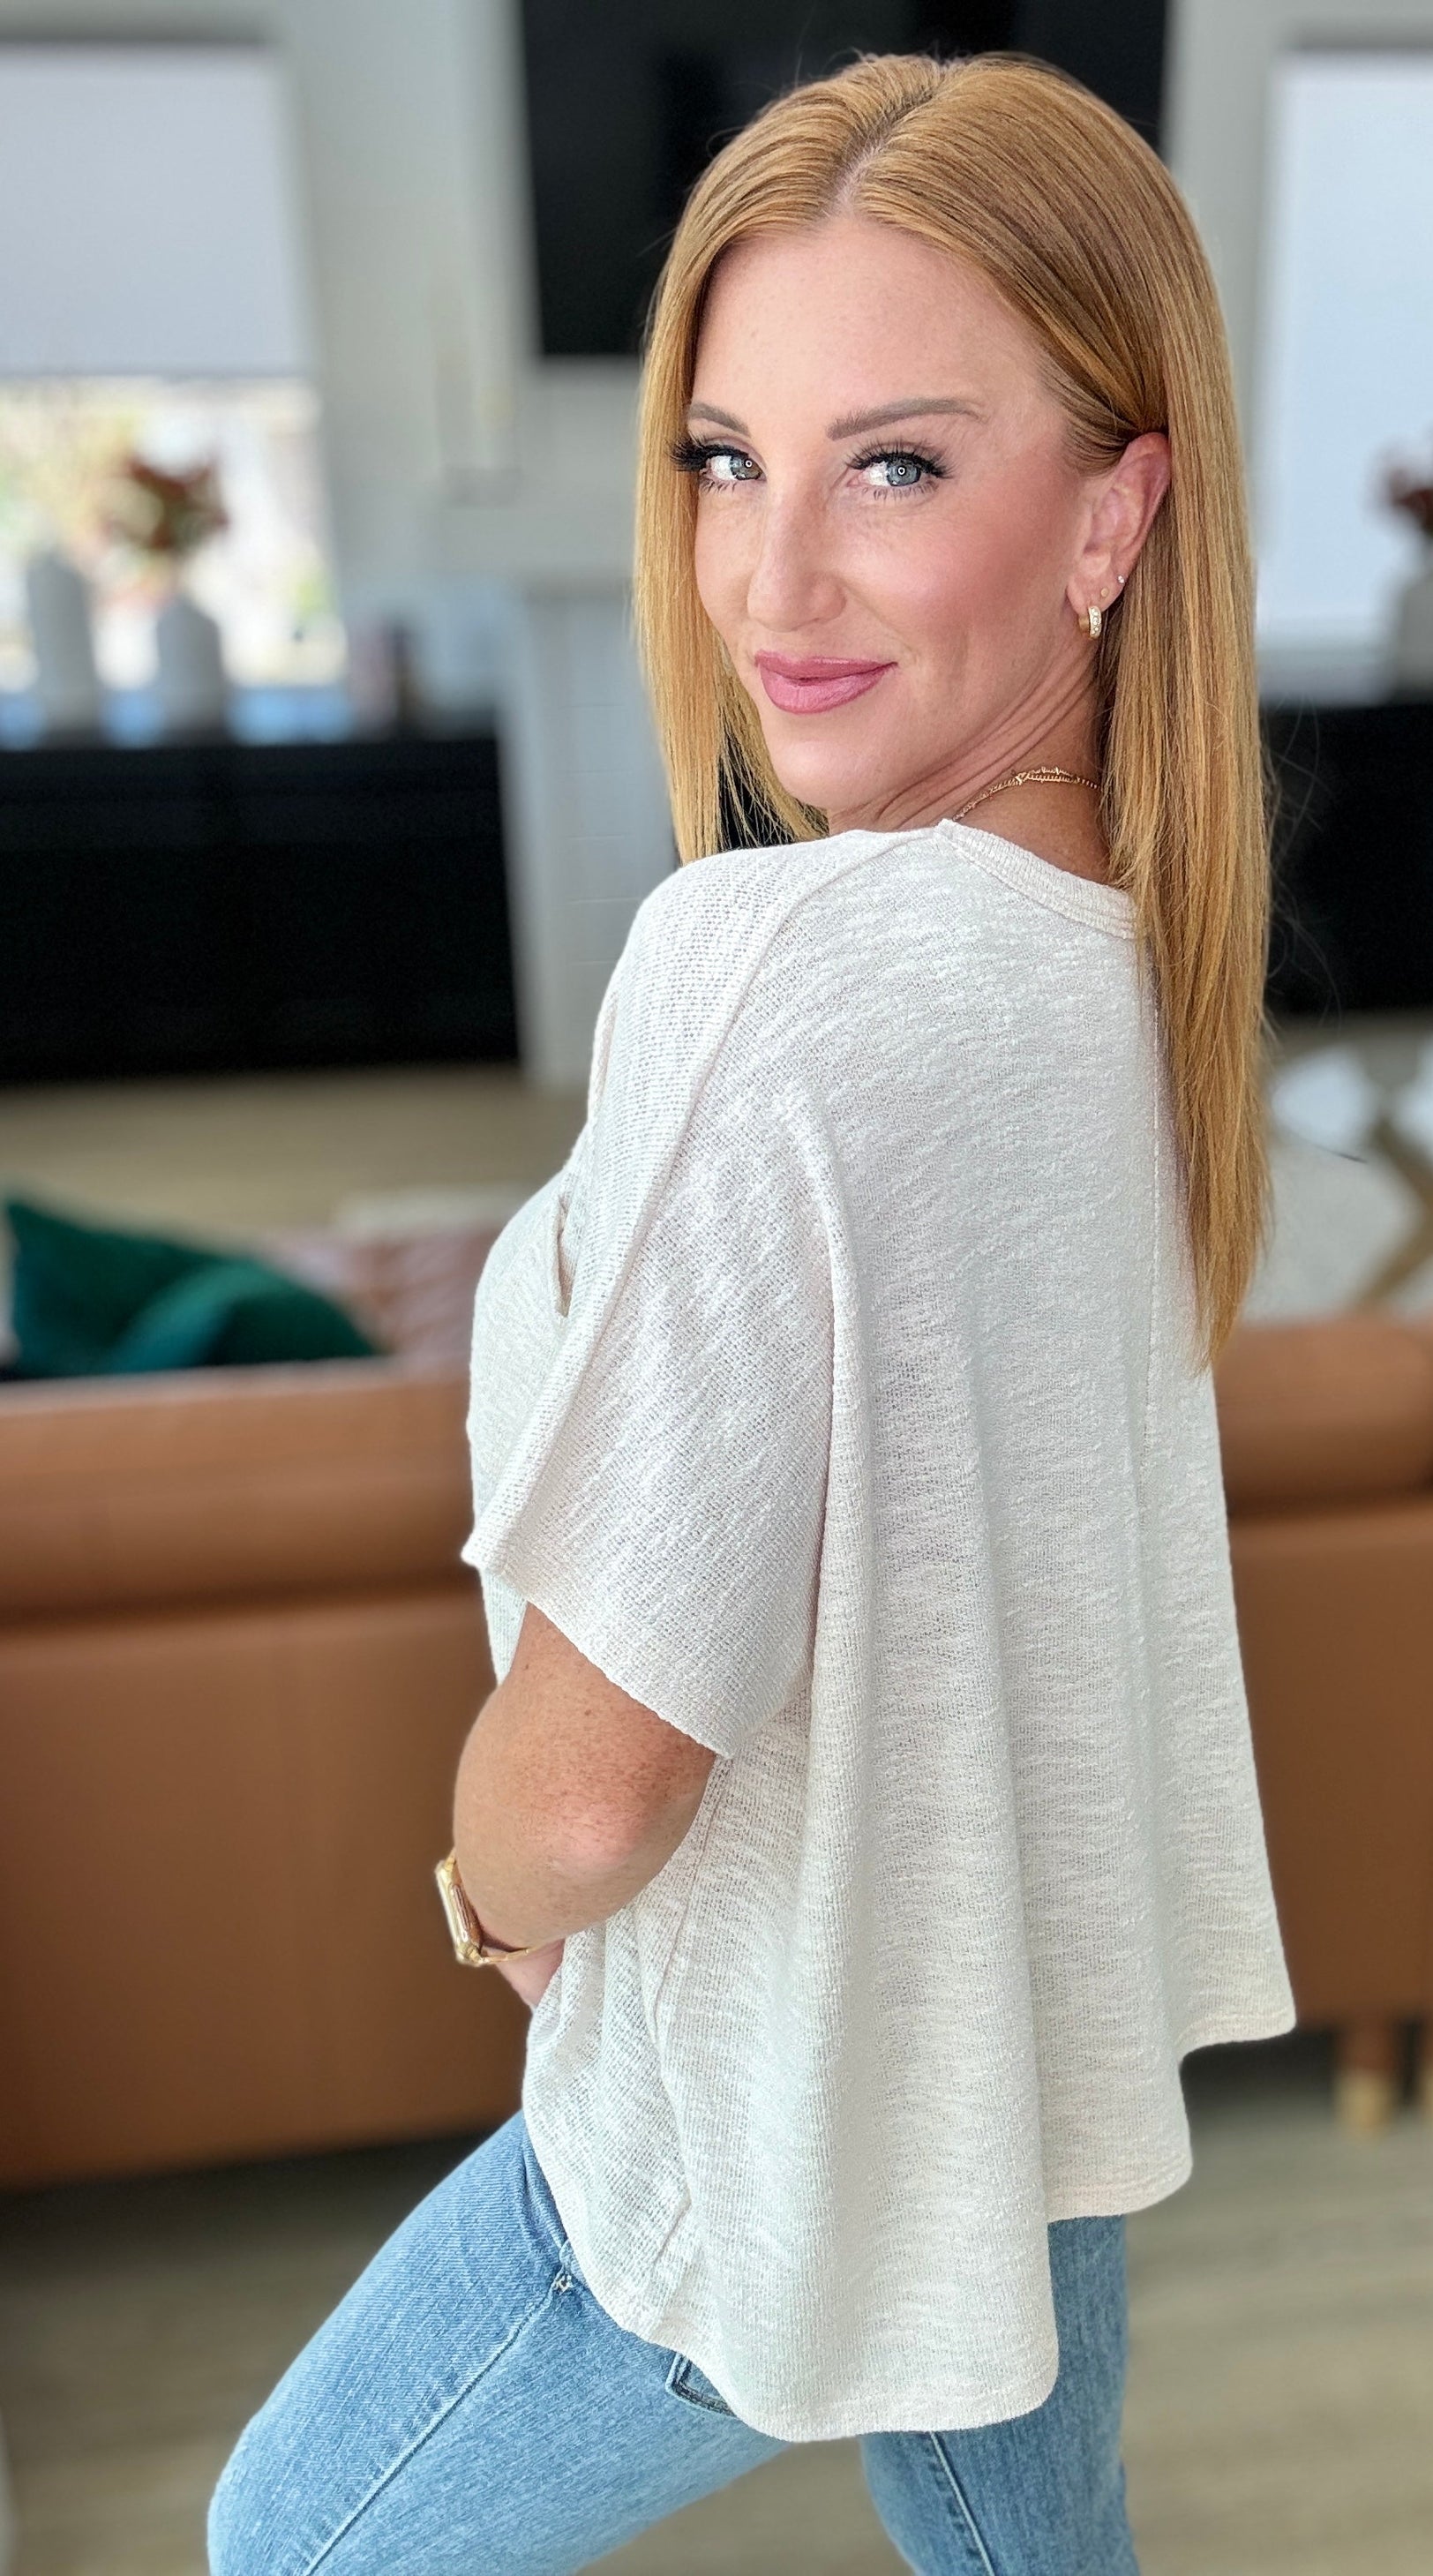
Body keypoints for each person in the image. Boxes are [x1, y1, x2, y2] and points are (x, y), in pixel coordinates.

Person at [208, 49, 1293, 2576]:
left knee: (286, 2542)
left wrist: (486, 1897)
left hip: (773, 2099)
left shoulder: (778, 968)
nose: (772, 582)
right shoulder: (1125, 969)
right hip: (1000, 2052)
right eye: (725, 460)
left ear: (1115, 509)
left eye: (892, 466)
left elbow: (596, 1794)